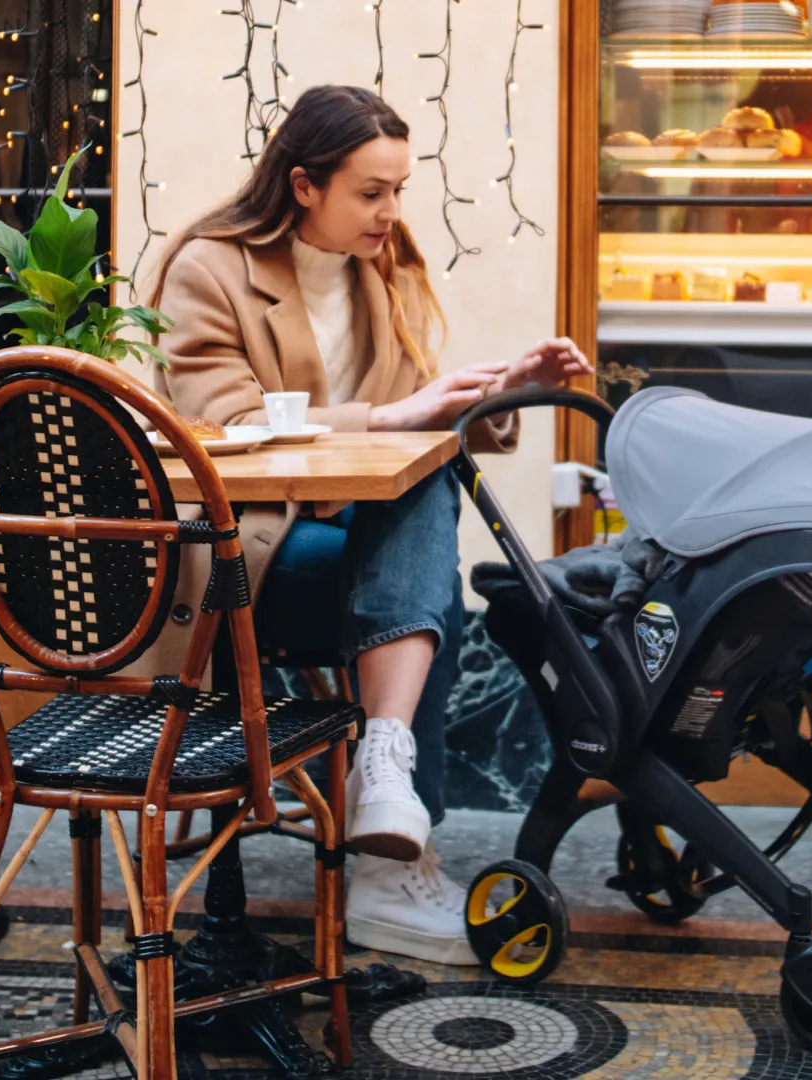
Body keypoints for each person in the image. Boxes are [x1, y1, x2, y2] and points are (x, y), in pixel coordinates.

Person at [147, 84, 591, 965]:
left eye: (399, 189)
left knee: (423, 506)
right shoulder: (211, 267)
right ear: (305, 185)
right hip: (245, 556)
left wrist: (501, 394)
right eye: (371, 192)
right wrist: (393, 421)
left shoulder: (381, 267)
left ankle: (383, 771)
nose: (392, 213)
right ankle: (391, 862)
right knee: (429, 589)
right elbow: (225, 426)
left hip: (350, 547)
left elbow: (412, 417)